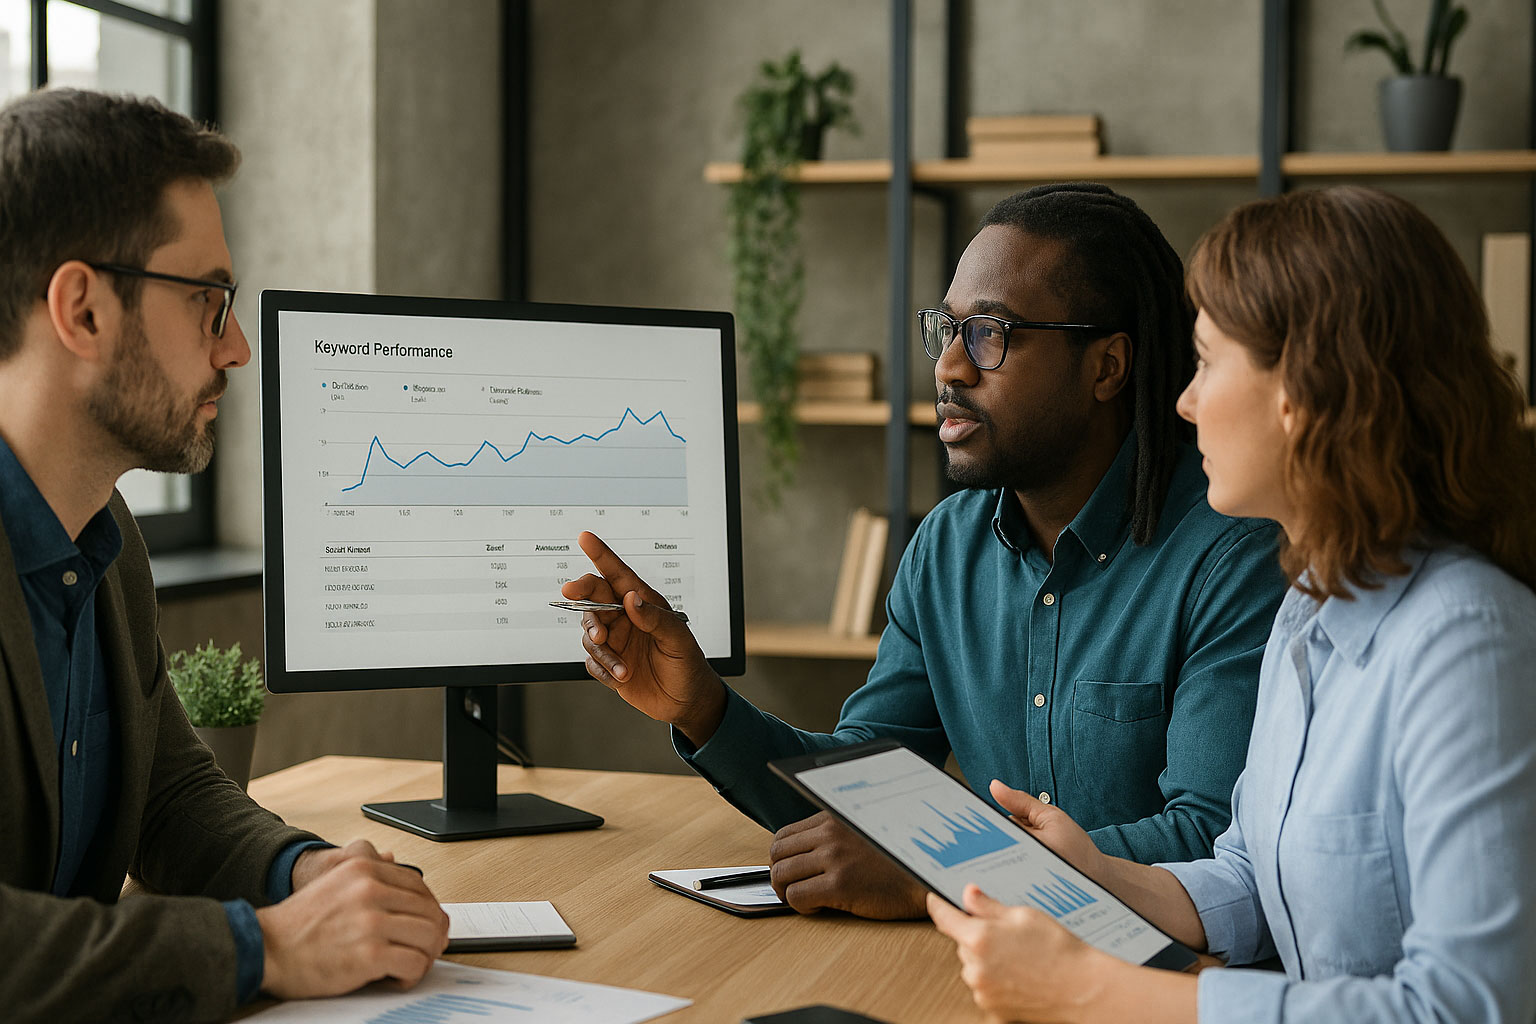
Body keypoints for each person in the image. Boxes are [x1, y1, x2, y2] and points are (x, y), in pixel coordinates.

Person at [564, 182, 1288, 919]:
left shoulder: (1234, 551)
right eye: (947, 331)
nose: (949, 368)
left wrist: (945, 873)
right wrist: (705, 710)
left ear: (1106, 367)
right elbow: (861, 796)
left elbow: (1211, 842)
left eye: (991, 335)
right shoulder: (946, 547)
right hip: (992, 968)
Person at [928, 185, 1536, 1023]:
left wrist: (1095, 992)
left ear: (1303, 392)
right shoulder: (1312, 606)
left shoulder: (1470, 642)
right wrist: (1091, 875)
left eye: (1208, 362)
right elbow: (1255, 877)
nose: (1181, 400)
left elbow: (1466, 1008)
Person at [0, 89, 449, 1021]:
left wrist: (305, 872)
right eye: (209, 302)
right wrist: (266, 946)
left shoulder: (106, 539)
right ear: (82, 311)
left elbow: (168, 799)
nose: (238, 347)